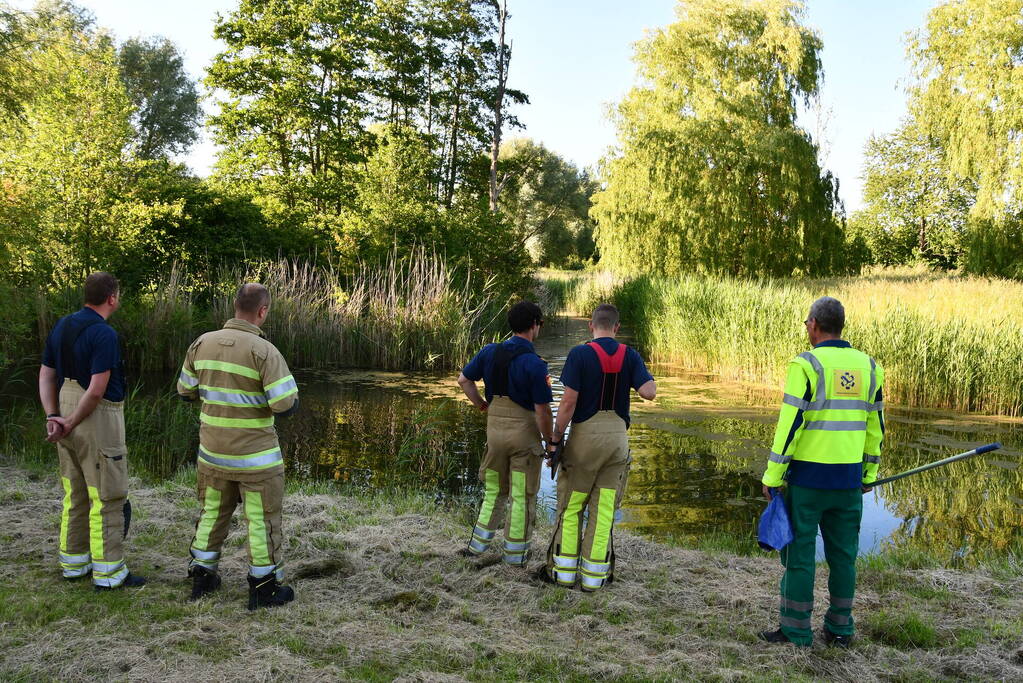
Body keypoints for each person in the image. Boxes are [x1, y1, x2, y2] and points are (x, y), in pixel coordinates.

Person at [758, 296, 884, 648]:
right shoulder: (870, 367)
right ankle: (840, 630)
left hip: (809, 483)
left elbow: (790, 425)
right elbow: (876, 428)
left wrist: (772, 476)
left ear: (813, 324)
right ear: (840, 325)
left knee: (799, 558)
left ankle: (796, 630)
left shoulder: (806, 365)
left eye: (806, 324)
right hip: (847, 483)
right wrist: (868, 475)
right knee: (844, 559)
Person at [176, 283, 300, 610]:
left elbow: (185, 391)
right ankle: (264, 588)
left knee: (211, 513)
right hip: (256, 461)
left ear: (234, 306)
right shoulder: (264, 351)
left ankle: (202, 575)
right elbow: (285, 404)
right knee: (261, 520)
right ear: (263, 311)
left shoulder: (201, 343)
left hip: (212, 454)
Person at [40, 271, 145, 590]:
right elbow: (97, 389)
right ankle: (110, 572)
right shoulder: (104, 334)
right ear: (112, 297)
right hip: (95, 418)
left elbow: (46, 375)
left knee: (75, 493)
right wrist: (71, 421)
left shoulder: (62, 325)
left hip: (63, 410)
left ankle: (74, 564)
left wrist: (54, 416)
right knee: (108, 495)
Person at [542, 303, 656, 590]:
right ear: (616, 328)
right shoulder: (629, 355)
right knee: (604, 508)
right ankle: (594, 579)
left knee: (572, 506)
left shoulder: (580, 354)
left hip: (585, 440)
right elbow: (649, 392)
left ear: (591, 326)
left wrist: (556, 438)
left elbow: (567, 403)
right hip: (617, 441)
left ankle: (564, 574)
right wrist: (637, 374)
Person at [457, 301, 554, 566]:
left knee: (493, 491)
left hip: (494, 435)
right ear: (535, 325)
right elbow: (543, 411)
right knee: (521, 497)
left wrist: (480, 404)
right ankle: (514, 557)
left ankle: (476, 548)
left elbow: (464, 381)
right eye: (540, 325)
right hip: (524, 438)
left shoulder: (489, 352)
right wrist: (551, 443)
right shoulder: (535, 364)